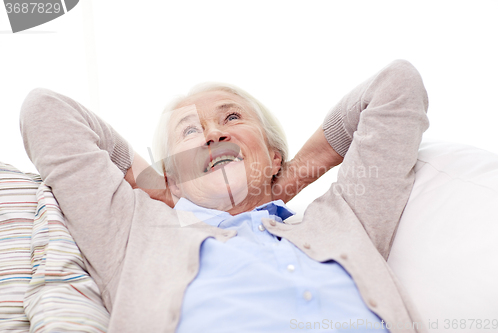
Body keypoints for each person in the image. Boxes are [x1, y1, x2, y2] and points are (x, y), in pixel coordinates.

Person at [20, 59, 429, 332]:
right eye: (190, 131)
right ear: (170, 177)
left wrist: (289, 181)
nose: (214, 134)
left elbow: (397, 85)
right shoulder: (134, 233)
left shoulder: (345, 219)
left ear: (273, 156)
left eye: (231, 117)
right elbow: (46, 110)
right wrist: (161, 190)